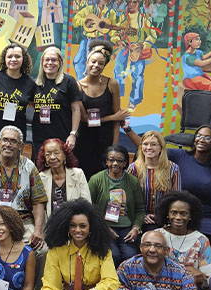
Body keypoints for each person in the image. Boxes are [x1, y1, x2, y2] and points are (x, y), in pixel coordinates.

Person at [37, 199, 122, 290]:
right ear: (66, 227)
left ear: (91, 227)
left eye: (83, 226)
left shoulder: (103, 251)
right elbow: (50, 286)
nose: (77, 230)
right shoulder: (56, 251)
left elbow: (112, 282)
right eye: (72, 226)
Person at [0, 126, 48, 248]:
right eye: (5, 140)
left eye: (13, 141)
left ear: (20, 146)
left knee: (42, 251)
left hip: (22, 221)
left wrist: (38, 231)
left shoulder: (29, 166)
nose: (8, 144)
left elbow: (39, 201)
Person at [77, 40, 128, 179]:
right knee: (85, 174)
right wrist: (112, 118)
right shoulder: (78, 86)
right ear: (87, 62)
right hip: (84, 138)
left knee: (104, 176)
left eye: (101, 63)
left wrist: (115, 145)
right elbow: (84, 119)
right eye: (93, 61)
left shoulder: (112, 84)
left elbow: (118, 116)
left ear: (105, 65)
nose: (96, 66)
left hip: (105, 138)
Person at [89, 145, 145, 266]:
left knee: (130, 257)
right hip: (104, 226)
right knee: (113, 255)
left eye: (119, 160)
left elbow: (140, 210)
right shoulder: (96, 180)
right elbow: (89, 209)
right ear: (106, 162)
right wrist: (104, 228)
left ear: (125, 163)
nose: (115, 163)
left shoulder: (133, 182)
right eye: (111, 160)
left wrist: (136, 228)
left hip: (127, 229)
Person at [168, 125, 211, 239]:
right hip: (183, 213)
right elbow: (149, 148)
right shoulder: (180, 156)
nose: (201, 140)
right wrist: (127, 129)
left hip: (210, 215)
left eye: (207, 138)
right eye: (198, 136)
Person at [0, 43, 36, 155]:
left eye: (17, 56)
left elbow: (35, 104)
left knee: (12, 169)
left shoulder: (30, 83)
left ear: (23, 59)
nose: (13, 59)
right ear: (4, 59)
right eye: (9, 56)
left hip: (16, 136)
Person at [155, 191, 211, 288]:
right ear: (167, 214)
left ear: (190, 215)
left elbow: (206, 278)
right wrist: (188, 270)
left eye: (183, 213)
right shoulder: (156, 236)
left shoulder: (202, 240)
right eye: (173, 213)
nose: (178, 217)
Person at [127, 131, 180, 229]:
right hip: (138, 219)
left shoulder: (173, 168)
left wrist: (163, 216)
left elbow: (176, 197)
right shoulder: (133, 168)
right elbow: (127, 198)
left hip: (164, 219)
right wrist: (141, 216)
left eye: (153, 144)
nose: (149, 148)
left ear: (160, 148)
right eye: (145, 144)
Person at [32, 47, 82, 152]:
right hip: (39, 136)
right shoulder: (35, 83)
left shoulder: (69, 81)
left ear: (60, 62)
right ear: (42, 62)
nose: (50, 63)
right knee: (41, 167)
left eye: (54, 60)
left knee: (60, 166)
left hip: (62, 136)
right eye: (47, 60)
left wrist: (73, 134)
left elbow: (76, 109)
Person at [113, 0, 158, 112]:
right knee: (118, 70)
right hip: (124, 47)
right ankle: (117, 95)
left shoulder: (143, 19)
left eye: (134, 2)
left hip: (137, 50)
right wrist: (118, 41)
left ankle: (134, 100)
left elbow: (153, 35)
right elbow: (114, 32)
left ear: (139, 4)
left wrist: (143, 44)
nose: (131, 5)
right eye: (130, 2)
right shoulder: (124, 18)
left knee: (137, 75)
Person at [37, 138, 91, 217]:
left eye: (56, 153)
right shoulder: (41, 177)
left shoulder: (77, 174)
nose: (52, 157)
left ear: (64, 155)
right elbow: (39, 208)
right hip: (50, 226)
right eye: (48, 154)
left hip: (74, 224)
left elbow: (87, 203)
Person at [70, 0, 119, 80]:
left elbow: (112, 30)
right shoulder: (90, 9)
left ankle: (90, 86)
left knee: (92, 65)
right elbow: (75, 20)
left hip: (98, 41)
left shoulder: (111, 13)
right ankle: (81, 84)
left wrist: (116, 39)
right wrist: (85, 22)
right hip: (86, 40)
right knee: (78, 62)